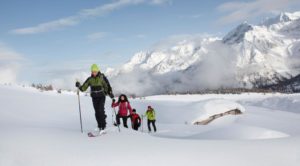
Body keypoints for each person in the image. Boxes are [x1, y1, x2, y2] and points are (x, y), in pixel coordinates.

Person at [75, 64, 114, 133]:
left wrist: (109, 92)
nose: (94, 73)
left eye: (95, 71)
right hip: (94, 97)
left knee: (100, 110)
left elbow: (107, 85)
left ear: (98, 71)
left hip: (101, 96)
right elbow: (84, 88)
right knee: (97, 112)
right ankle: (99, 125)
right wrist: (79, 85)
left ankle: (103, 126)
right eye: (93, 71)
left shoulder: (102, 77)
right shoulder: (90, 79)